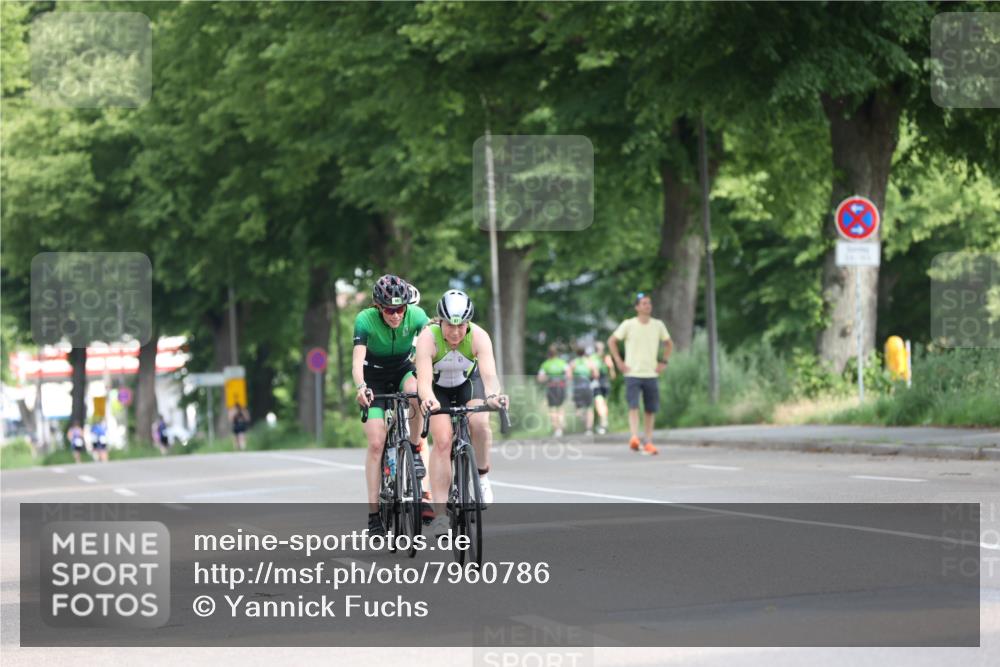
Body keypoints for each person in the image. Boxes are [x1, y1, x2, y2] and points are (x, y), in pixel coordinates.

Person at [416, 290, 508, 537]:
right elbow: (423, 383)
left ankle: (482, 476)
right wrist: (429, 401)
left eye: (461, 326)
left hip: (468, 384)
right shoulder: (428, 338)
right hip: (438, 390)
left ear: (468, 323)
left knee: (479, 423)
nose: (455, 333)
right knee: (443, 441)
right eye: (450, 326)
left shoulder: (479, 336)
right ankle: (441, 514)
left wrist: (493, 396)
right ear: (440, 321)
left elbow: (489, 376)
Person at [354, 274, 430, 537]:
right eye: (389, 310)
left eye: (400, 309)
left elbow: (428, 351)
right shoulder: (365, 320)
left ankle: (415, 449)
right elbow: (357, 362)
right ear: (378, 307)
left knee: (417, 393)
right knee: (376, 443)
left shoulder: (418, 315)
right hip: (373, 377)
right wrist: (361, 387)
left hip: (401, 371)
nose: (396, 315)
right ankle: (374, 514)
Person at [608, 292, 673, 455]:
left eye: (649, 303)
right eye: (644, 303)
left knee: (650, 409)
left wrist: (663, 362)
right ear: (637, 307)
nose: (648, 306)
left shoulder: (658, 325)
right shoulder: (628, 324)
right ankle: (634, 437)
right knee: (633, 406)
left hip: (651, 373)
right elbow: (612, 341)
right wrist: (619, 362)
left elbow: (668, 343)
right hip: (632, 373)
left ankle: (648, 440)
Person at [536, 344, 569, 437]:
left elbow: (540, 378)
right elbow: (568, 374)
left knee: (552, 409)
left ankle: (556, 429)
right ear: (556, 354)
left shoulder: (546, 364)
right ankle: (561, 426)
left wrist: (548, 378)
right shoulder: (562, 363)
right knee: (560, 407)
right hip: (561, 387)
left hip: (551, 388)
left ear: (548, 354)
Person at [568, 345, 599, 435]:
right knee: (589, 408)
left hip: (577, 387)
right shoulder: (589, 362)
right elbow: (596, 374)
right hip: (587, 387)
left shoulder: (573, 362)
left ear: (576, 353)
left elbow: (569, 376)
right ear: (584, 352)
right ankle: (588, 429)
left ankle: (583, 420)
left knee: (578, 409)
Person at [590, 340, 616, 434]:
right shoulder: (607, 357)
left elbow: (594, 373)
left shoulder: (592, 358)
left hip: (598, 382)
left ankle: (603, 424)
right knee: (603, 403)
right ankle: (603, 423)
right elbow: (613, 375)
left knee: (599, 403)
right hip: (605, 382)